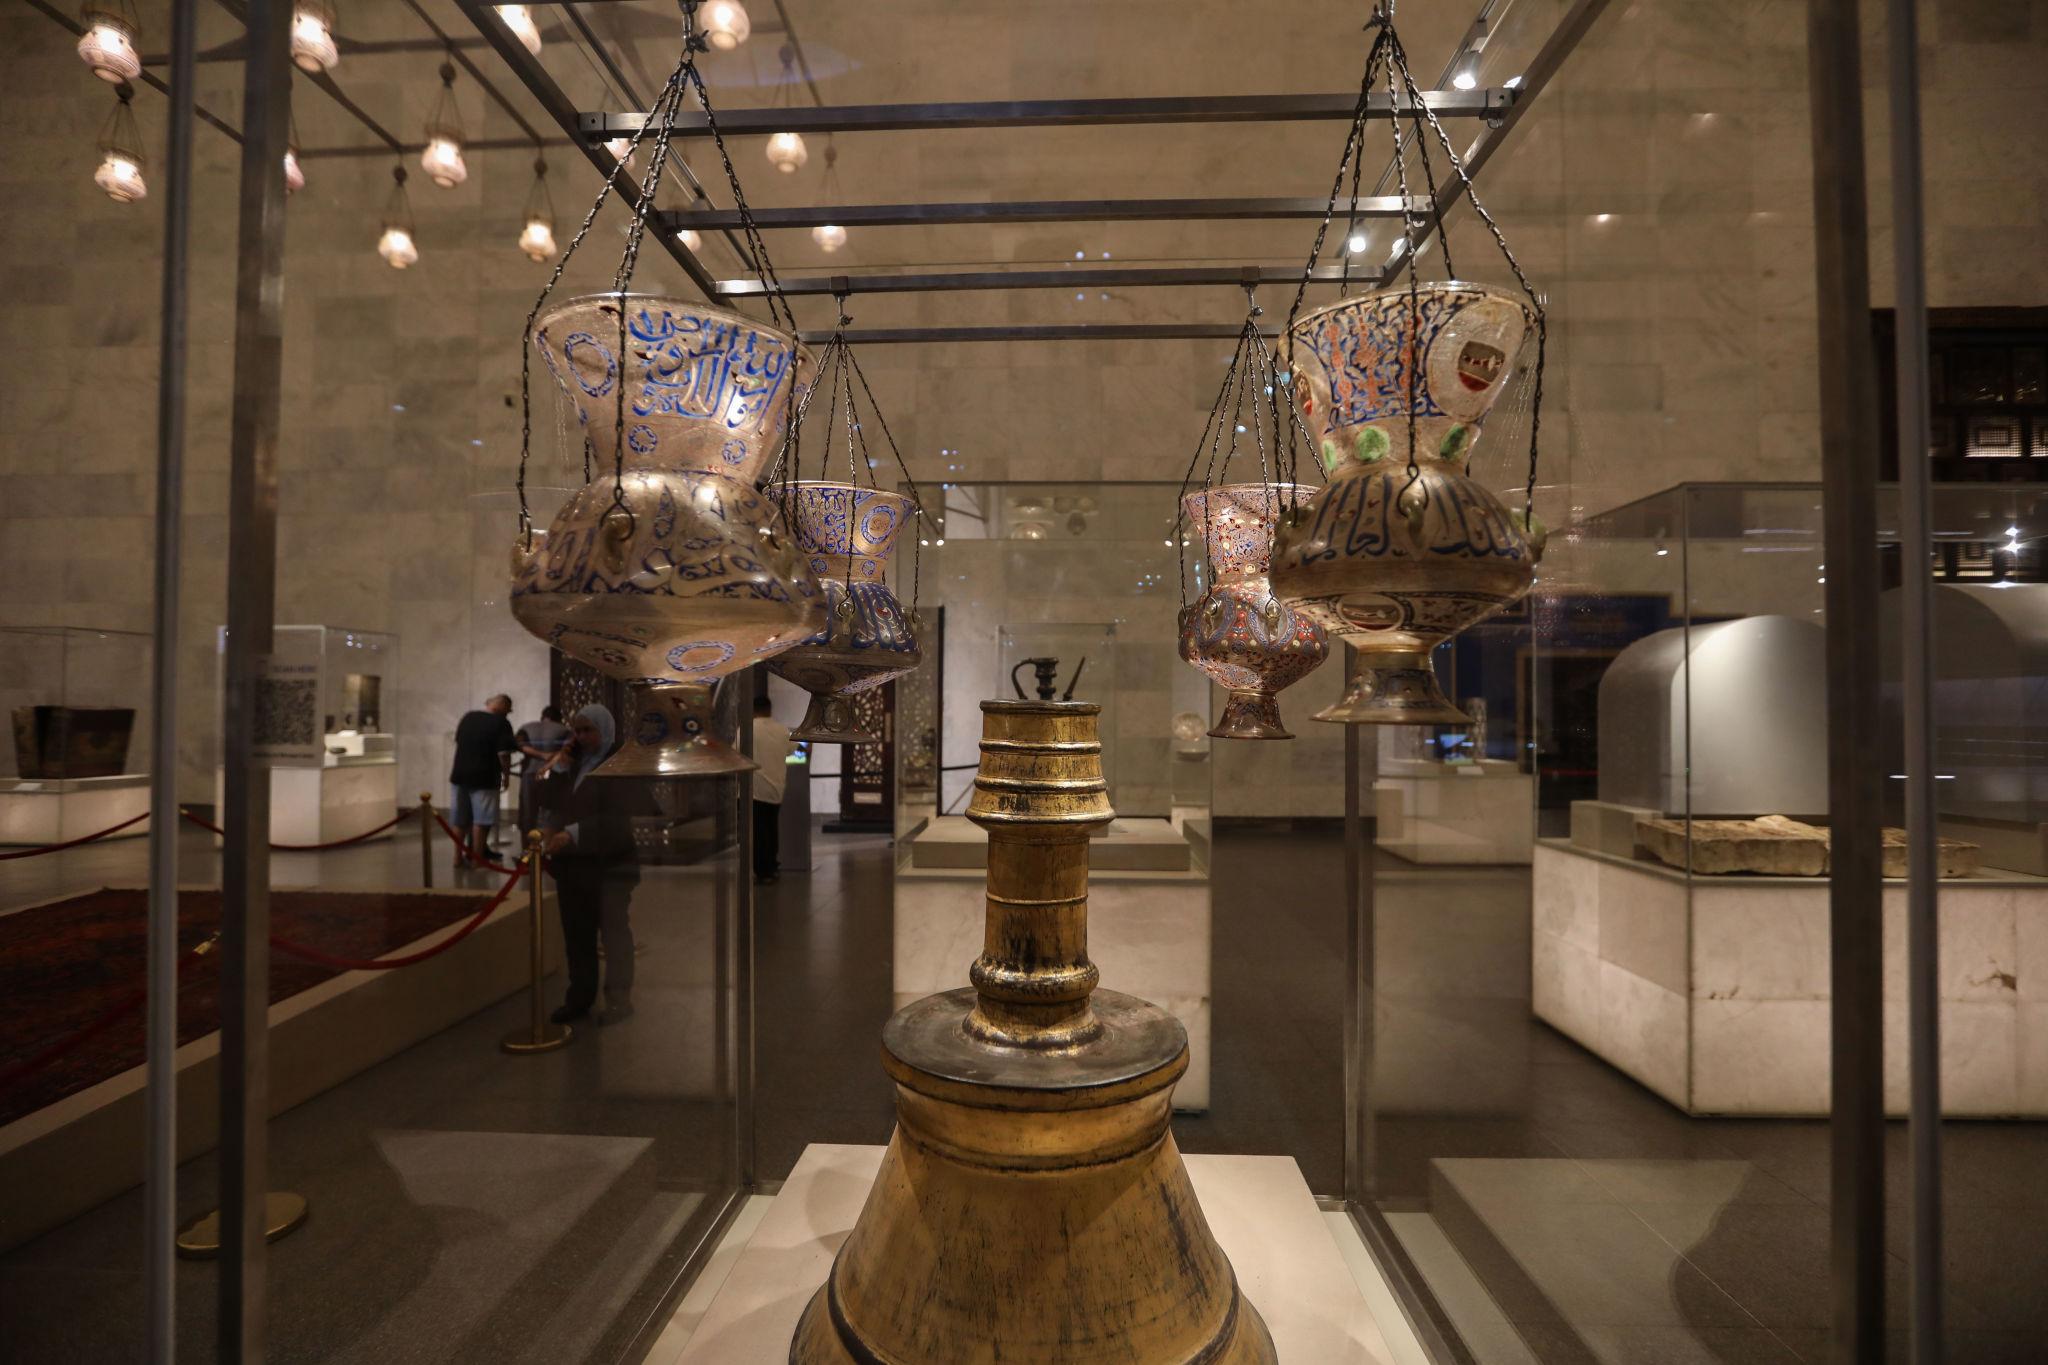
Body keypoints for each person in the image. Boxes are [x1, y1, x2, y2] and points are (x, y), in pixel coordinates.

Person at [535, 704, 646, 1025]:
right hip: (573, 867)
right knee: (577, 936)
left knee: (614, 935)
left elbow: (617, 819)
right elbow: (548, 800)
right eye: (578, 731)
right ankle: (579, 998)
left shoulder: (620, 766)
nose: (582, 737)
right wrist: (560, 768)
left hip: (610, 867)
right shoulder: (574, 763)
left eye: (588, 730)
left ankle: (619, 1000)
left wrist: (572, 833)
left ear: (604, 730)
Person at [448, 694, 516, 870]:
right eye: (508, 710)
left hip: (459, 775)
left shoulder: (468, 717)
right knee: (482, 820)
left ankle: (457, 858)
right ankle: (477, 860)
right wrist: (506, 777)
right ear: (501, 706)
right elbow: (504, 754)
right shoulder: (501, 723)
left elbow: (459, 741)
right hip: (485, 777)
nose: (508, 713)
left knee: (460, 820)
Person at [751, 694, 794, 884]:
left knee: (758, 832)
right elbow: (793, 750)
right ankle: (772, 865)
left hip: (754, 789)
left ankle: (763, 871)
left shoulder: (747, 729)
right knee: (771, 827)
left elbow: (736, 750)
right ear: (769, 710)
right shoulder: (782, 730)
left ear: (753, 710)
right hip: (776, 788)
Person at [515, 704, 571, 839]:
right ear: (559, 718)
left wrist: (540, 754)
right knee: (551, 813)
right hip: (553, 774)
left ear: (542, 717)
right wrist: (548, 756)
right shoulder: (564, 730)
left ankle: (527, 847)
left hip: (529, 773)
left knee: (528, 814)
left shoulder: (526, 727)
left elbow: (519, 745)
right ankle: (549, 846)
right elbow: (567, 750)